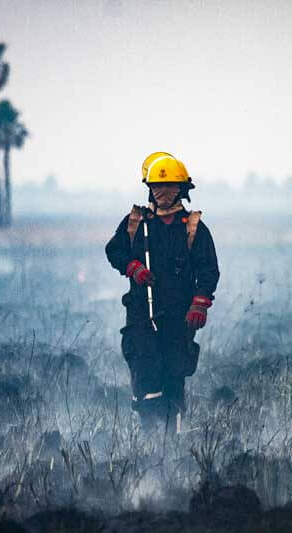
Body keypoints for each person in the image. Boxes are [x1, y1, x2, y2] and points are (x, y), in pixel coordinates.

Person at [105, 152, 220, 433]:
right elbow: (114, 251)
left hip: (178, 319)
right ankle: (148, 435)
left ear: (182, 189)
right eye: (156, 186)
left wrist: (200, 304)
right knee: (145, 372)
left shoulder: (193, 228)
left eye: (168, 187)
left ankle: (173, 437)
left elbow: (208, 271)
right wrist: (132, 267)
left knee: (173, 376)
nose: (162, 192)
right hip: (142, 315)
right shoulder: (136, 223)